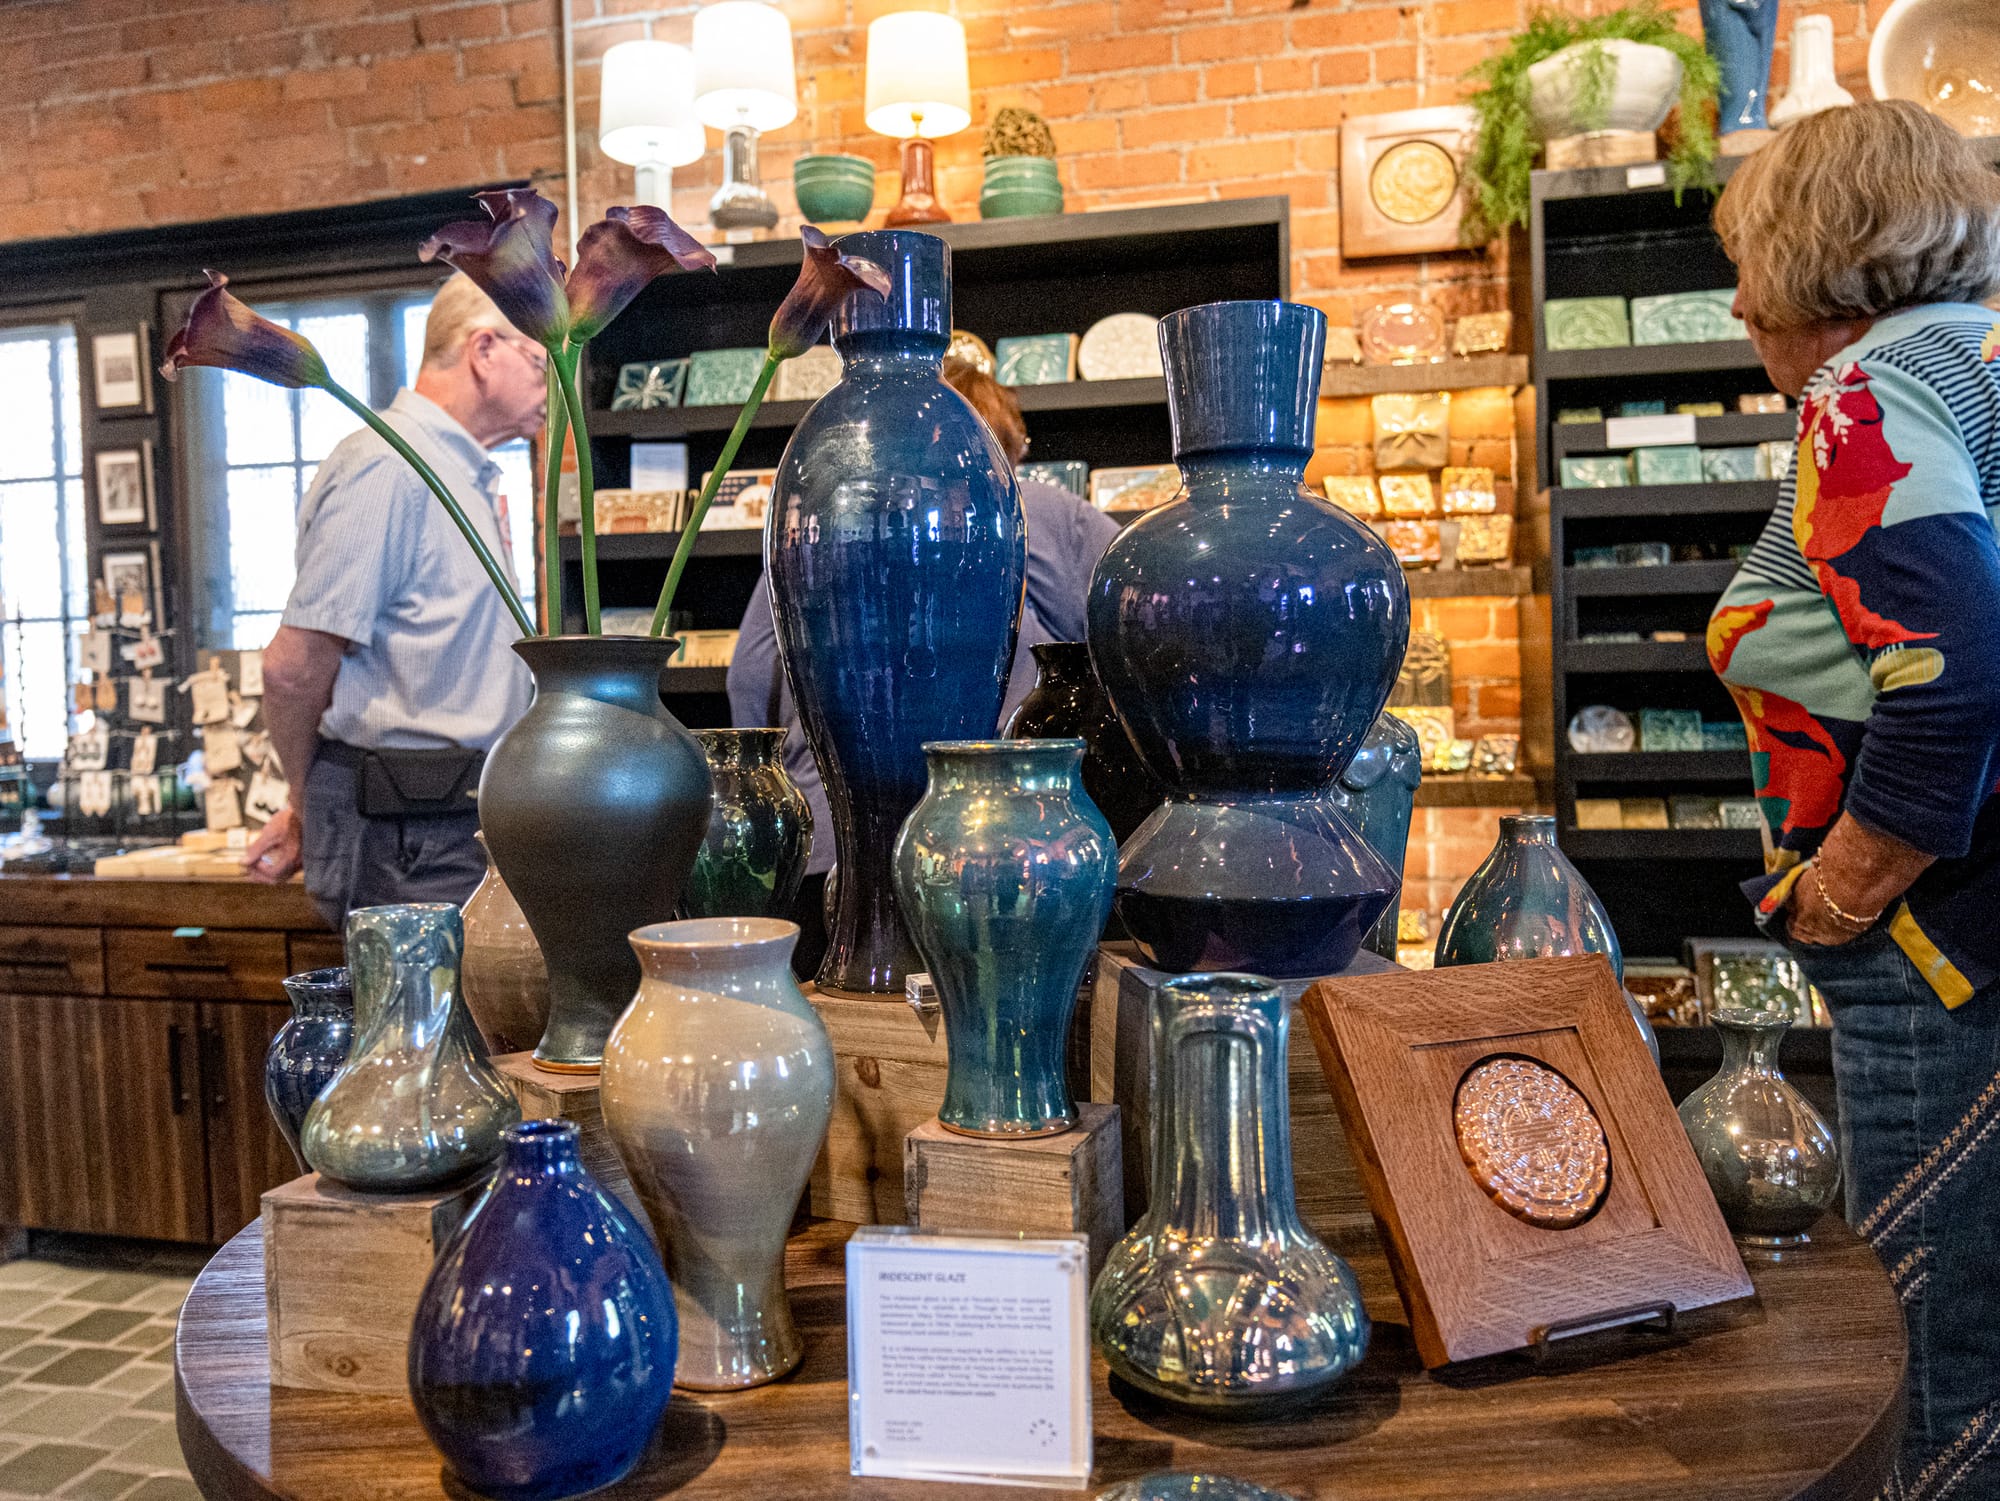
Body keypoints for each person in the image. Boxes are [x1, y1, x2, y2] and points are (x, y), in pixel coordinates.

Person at [1706, 100, 2000, 1497]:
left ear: (1807, 256)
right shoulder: (1973, 359)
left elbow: (1952, 672)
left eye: (1743, 264)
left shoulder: (1865, 392)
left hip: (1943, 946)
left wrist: (1842, 891)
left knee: (1934, 1340)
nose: (1735, 302)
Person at [728, 357, 1122, 974]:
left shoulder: (826, 514)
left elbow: (749, 675)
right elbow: (1122, 638)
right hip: (984, 852)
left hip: (825, 839)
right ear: (1004, 446)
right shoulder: (1046, 512)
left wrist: (787, 779)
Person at [243, 272, 547, 924]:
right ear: (484, 350)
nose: (551, 386)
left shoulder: (457, 473)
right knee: (421, 999)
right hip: (406, 833)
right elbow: (292, 669)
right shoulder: (389, 467)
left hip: (449, 820)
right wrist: (305, 803)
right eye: (540, 361)